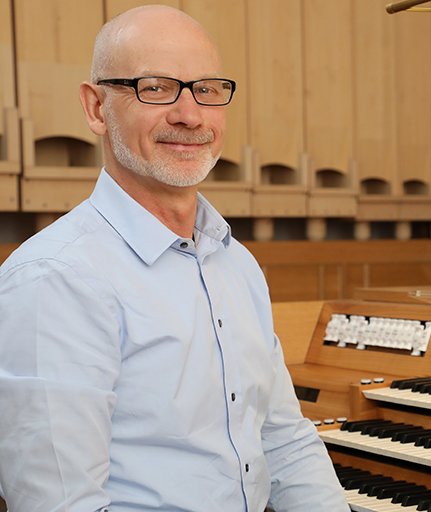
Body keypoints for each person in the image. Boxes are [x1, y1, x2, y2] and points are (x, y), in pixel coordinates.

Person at [0, 5, 349, 511]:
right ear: (97, 108)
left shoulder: (237, 265)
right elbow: (61, 504)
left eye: (206, 90)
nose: (190, 115)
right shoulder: (55, 280)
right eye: (156, 87)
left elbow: (284, 442)